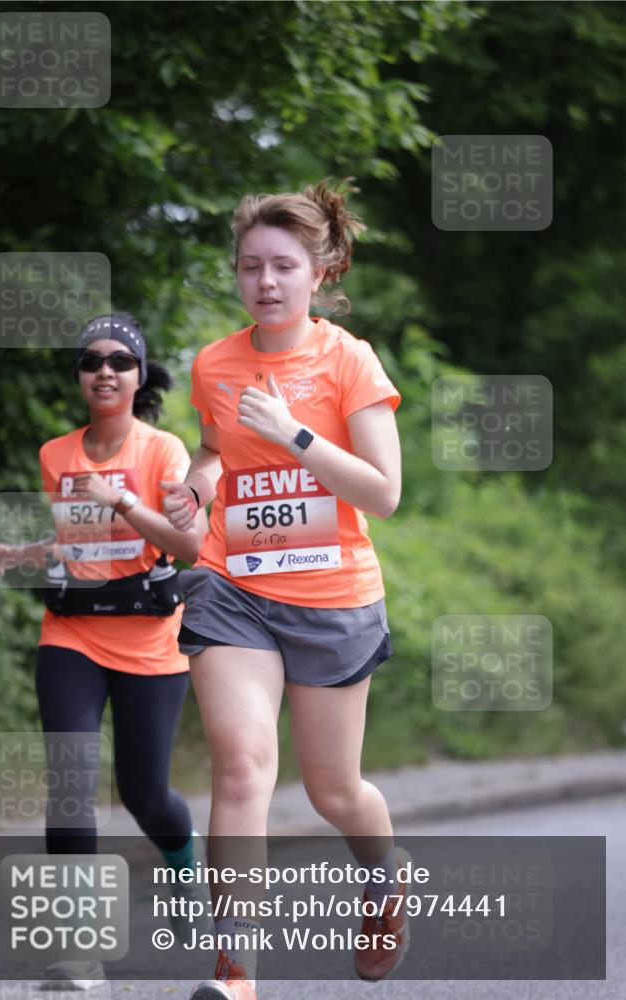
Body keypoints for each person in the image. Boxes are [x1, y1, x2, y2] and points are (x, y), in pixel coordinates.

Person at [161, 182, 410, 1000]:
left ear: (319, 270)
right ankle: (235, 974)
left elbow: (382, 493)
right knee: (240, 770)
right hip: (235, 586)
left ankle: (384, 876)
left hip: (333, 595)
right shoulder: (215, 362)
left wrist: (295, 435)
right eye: (248, 268)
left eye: (281, 266)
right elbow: (209, 452)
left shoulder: (347, 359)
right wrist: (195, 490)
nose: (264, 282)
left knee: (334, 790)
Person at [0, 312, 208, 989]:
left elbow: (185, 548)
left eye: (120, 360)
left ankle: (183, 868)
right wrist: (25, 553)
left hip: (147, 639)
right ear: (80, 378)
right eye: (91, 361)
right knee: (71, 782)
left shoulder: (164, 452)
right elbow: (80, 541)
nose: (104, 370)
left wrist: (120, 498)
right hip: (72, 635)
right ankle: (79, 955)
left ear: (139, 376)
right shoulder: (57, 454)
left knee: (146, 793)